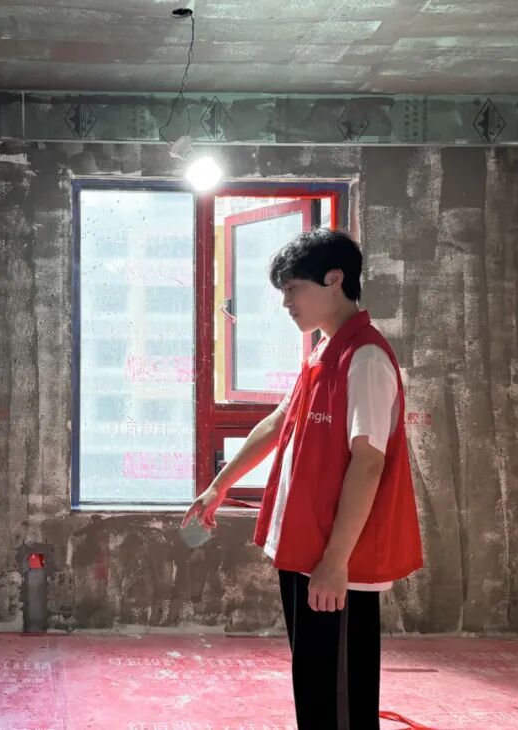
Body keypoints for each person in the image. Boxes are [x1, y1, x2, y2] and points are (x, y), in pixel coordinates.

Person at [182, 227, 423, 729]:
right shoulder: (323, 352)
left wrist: (335, 561)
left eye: (293, 288)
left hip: (336, 559)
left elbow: (369, 463)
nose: (286, 302)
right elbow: (278, 424)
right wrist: (218, 486)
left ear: (334, 279)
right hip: (307, 549)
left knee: (340, 701)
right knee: (315, 687)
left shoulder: (365, 359)